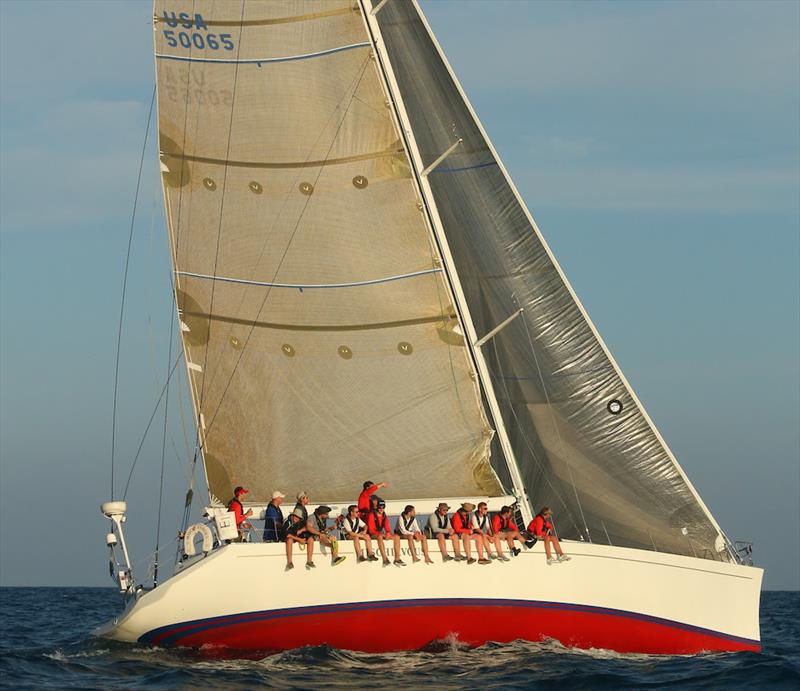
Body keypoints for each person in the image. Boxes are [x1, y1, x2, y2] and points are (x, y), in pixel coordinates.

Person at [367, 498, 405, 566]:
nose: (381, 509)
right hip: (373, 534)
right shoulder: (371, 515)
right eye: (380, 508)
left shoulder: (384, 515)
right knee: (380, 536)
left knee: (396, 536)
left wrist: (388, 533)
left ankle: (397, 558)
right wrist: (384, 534)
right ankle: (385, 558)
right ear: (377, 508)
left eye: (383, 507)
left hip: (381, 534)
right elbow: (371, 530)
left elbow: (387, 528)